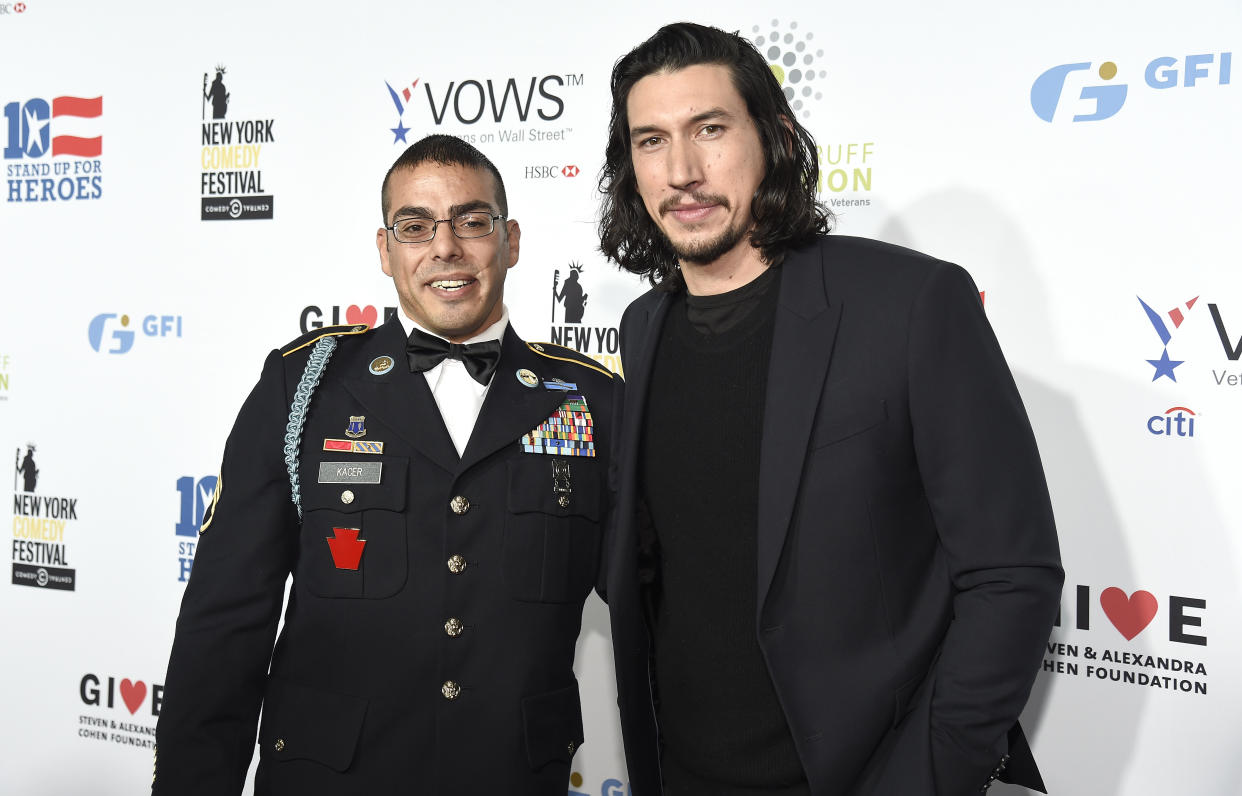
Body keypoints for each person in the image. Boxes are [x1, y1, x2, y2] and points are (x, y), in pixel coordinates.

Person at [598, 23, 1063, 796]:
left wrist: (924, 778)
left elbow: (1011, 573)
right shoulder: (643, 329)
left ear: (775, 136)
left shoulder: (910, 304)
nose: (682, 170)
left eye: (709, 130)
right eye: (651, 141)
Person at [154, 134, 619, 795]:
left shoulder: (589, 399)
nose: (445, 247)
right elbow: (227, 622)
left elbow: (657, 614)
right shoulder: (304, 386)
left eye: (473, 221)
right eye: (415, 226)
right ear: (385, 250)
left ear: (510, 241)